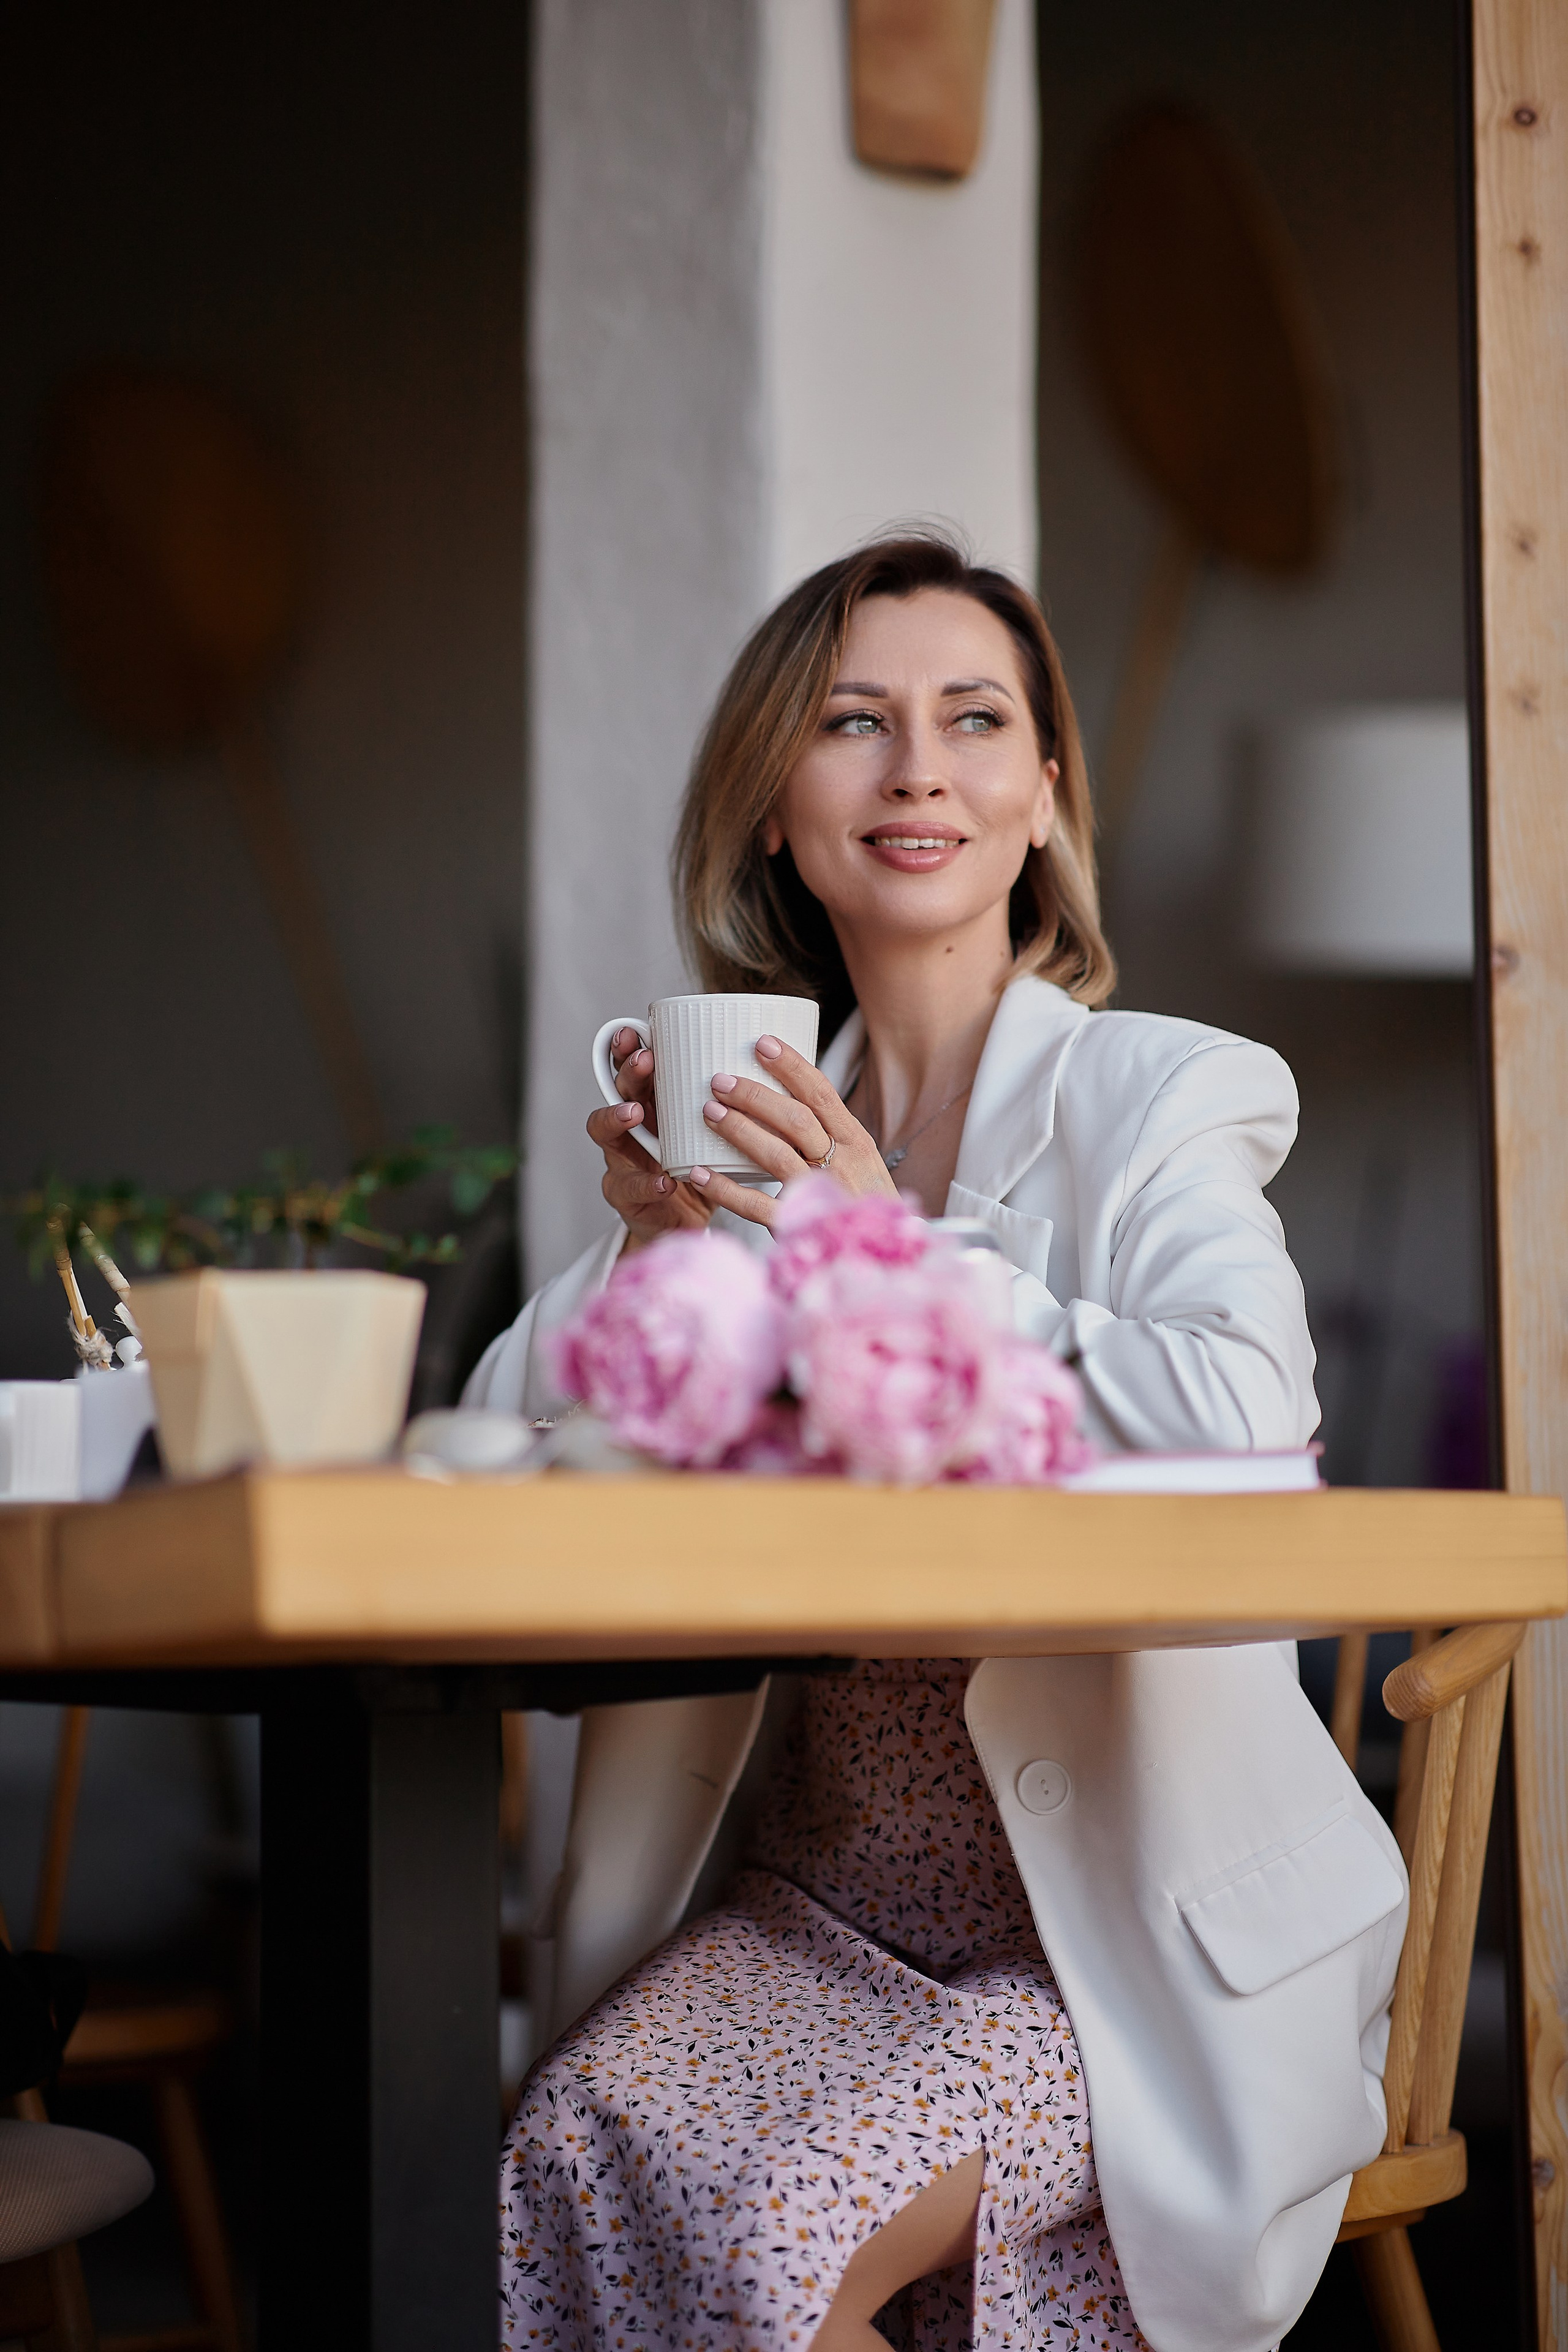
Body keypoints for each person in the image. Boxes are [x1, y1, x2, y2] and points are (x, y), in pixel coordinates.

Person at [467, 533, 1406, 2352]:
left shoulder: (1158, 1096)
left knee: (773, 2235)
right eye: (854, 723)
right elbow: (506, 1444)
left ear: (1043, 795)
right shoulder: (740, 1121)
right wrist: (663, 1264)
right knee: (558, 2150)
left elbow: (1245, 1403)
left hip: (1115, 1957)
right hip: (813, 1917)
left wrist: (875, 1249)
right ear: (770, 811)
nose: (919, 768)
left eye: (978, 720)